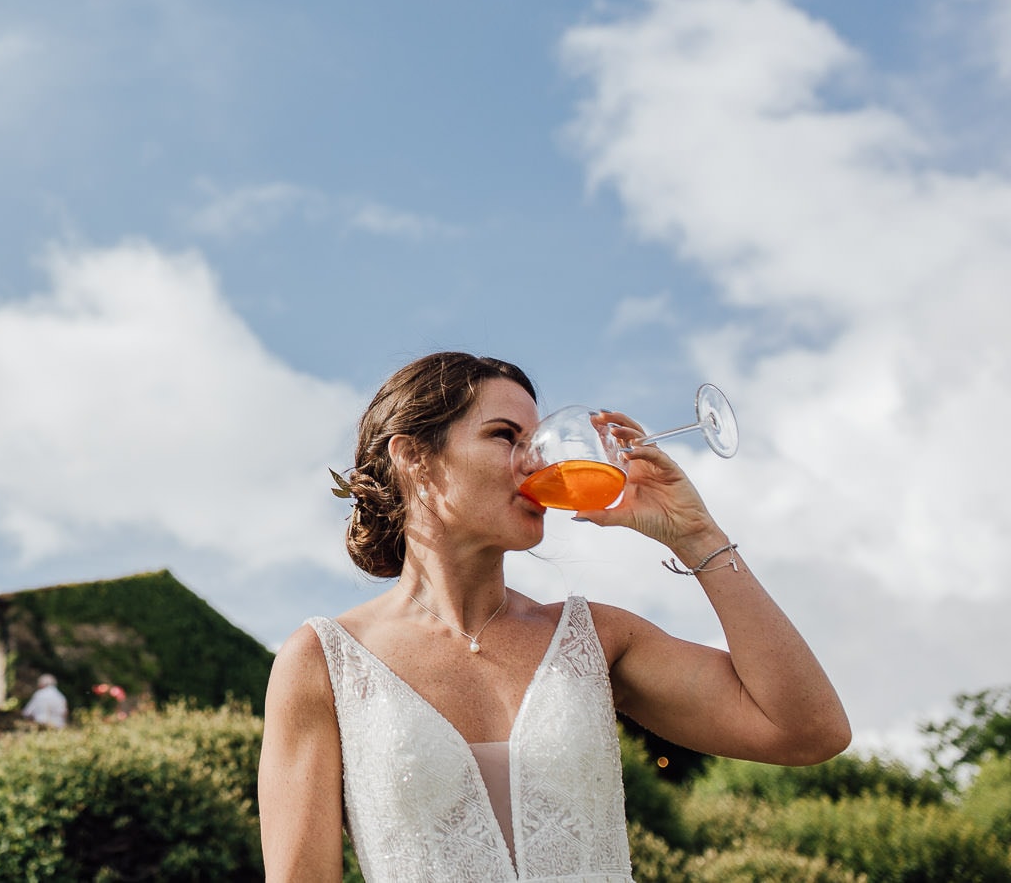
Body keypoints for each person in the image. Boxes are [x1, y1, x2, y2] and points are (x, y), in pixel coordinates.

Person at [259, 352, 849, 883]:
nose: (536, 461)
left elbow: (808, 729)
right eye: (503, 435)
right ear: (415, 458)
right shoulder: (323, 661)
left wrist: (698, 538)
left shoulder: (595, 638)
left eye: (537, 439)